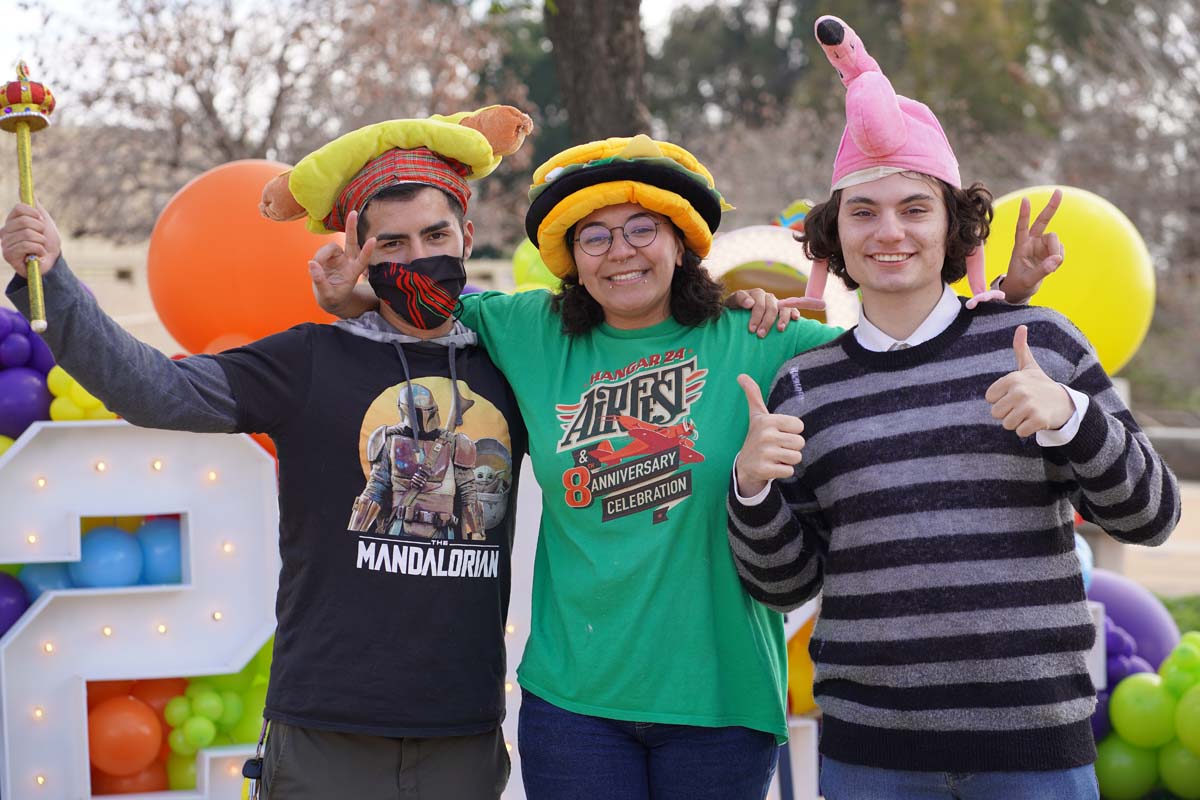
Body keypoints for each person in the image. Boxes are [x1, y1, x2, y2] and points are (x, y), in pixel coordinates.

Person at [314, 127, 1059, 798]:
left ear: (681, 242)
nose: (620, 251)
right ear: (569, 258)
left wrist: (1002, 297)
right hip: (575, 703)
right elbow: (419, 307)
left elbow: (901, 343)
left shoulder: (761, 339)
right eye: (594, 237)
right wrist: (348, 300)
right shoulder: (525, 329)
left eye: (642, 229)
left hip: (723, 700)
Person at [2, 107, 534, 799]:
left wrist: (725, 306)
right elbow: (155, 390)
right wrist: (57, 279)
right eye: (393, 244)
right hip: (325, 732)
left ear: (467, 233)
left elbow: (632, 342)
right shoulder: (309, 360)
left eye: (436, 234)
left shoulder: (514, 358)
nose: (418, 256)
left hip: (464, 733)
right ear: (362, 255)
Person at [725, 16, 1181, 800]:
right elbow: (784, 584)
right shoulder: (805, 383)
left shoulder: (1038, 342)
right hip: (871, 758)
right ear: (834, 235)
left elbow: (1154, 517)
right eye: (863, 213)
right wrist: (753, 491)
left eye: (914, 208)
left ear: (952, 223)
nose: (890, 232)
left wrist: (1073, 417)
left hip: (1038, 750)